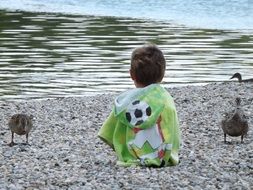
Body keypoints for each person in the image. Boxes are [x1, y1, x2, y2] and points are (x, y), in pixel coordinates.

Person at [98, 44, 180, 167]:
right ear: (162, 75)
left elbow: (107, 132)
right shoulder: (165, 99)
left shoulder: (125, 101)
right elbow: (173, 129)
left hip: (131, 157)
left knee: (120, 114)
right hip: (164, 157)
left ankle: (131, 153)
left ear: (132, 75)